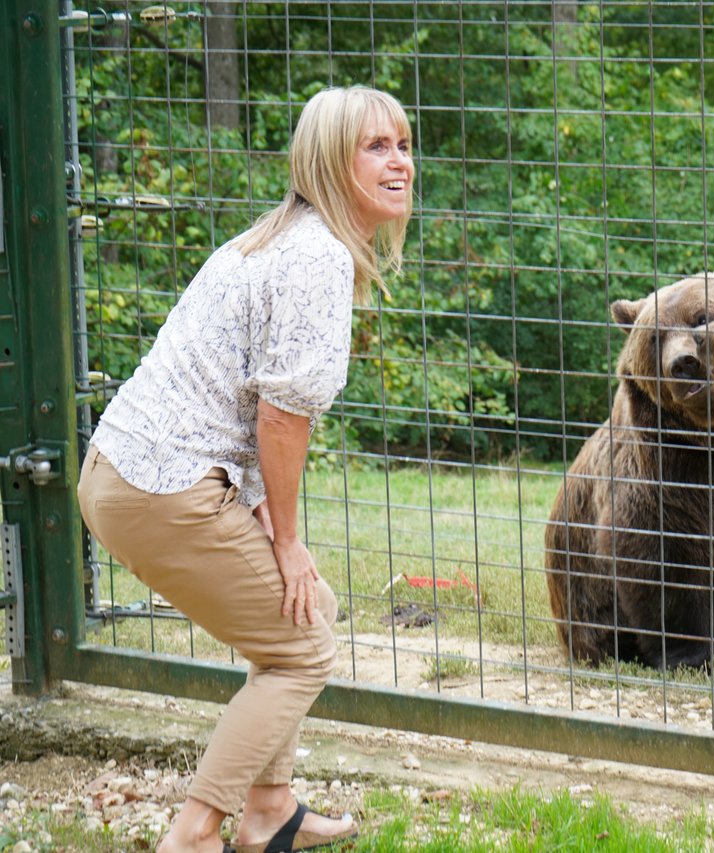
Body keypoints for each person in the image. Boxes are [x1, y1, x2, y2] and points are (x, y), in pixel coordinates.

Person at [78, 85, 414, 853]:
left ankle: (271, 809)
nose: (399, 161)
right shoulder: (317, 257)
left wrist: (262, 506)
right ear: (330, 160)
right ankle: (195, 832)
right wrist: (286, 537)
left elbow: (255, 398)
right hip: (158, 488)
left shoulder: (291, 236)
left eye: (402, 144)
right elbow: (280, 416)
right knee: (302, 650)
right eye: (375, 146)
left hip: (125, 474)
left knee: (308, 610)